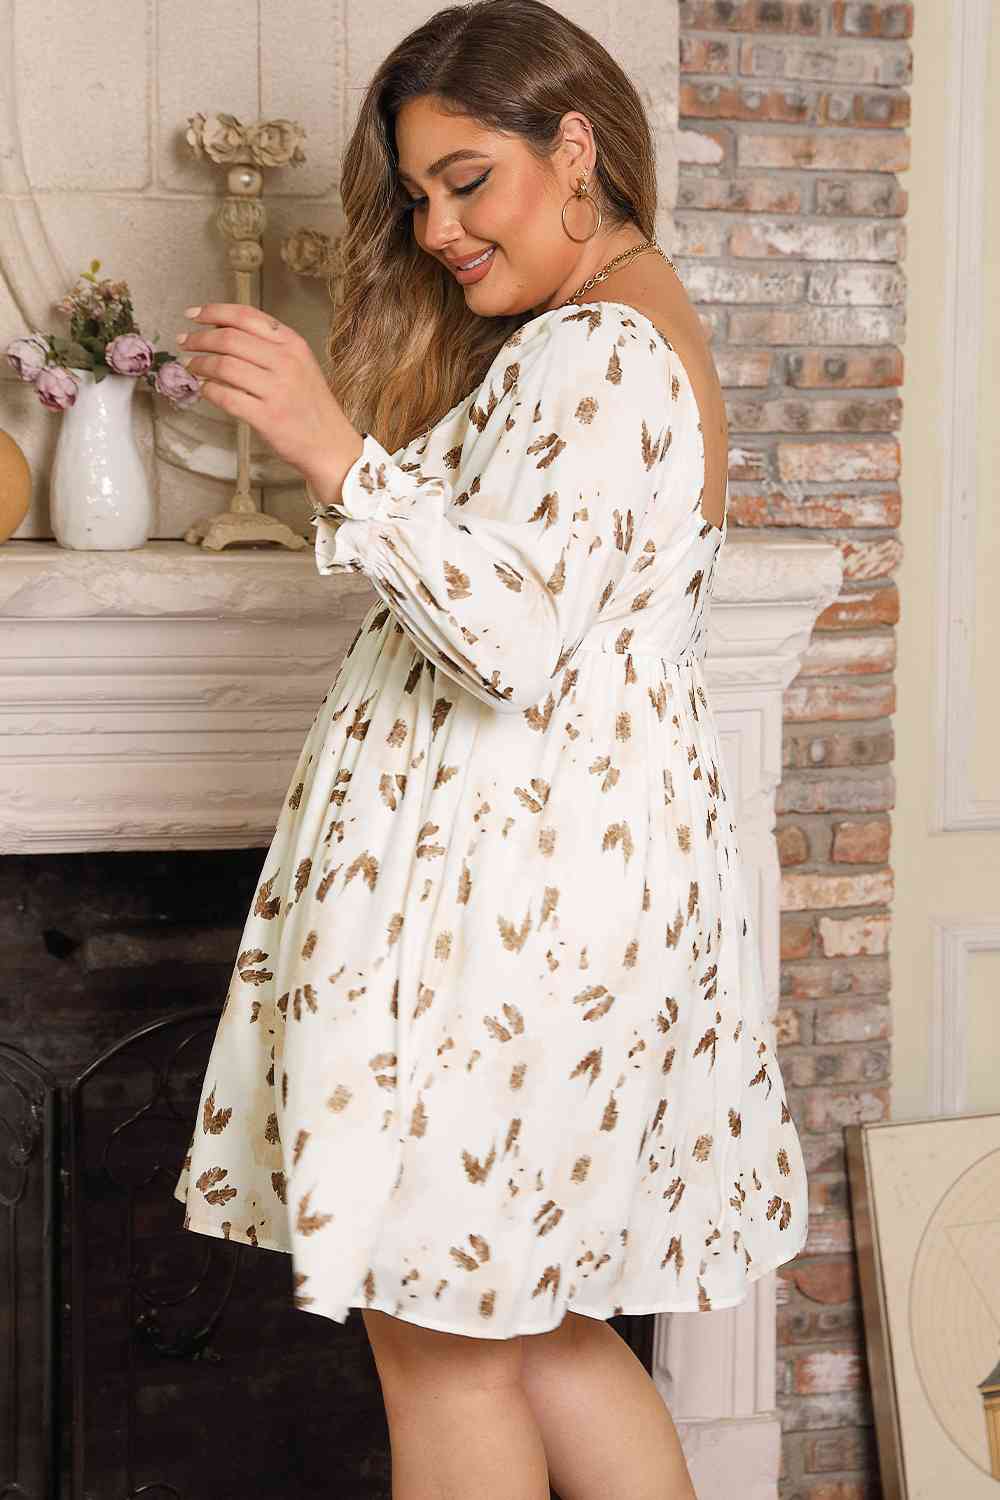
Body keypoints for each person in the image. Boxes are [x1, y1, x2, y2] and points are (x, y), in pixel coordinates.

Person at [172, 2, 809, 1495]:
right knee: (537, 1329)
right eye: (418, 197)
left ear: (574, 144)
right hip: (558, 904)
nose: (440, 229)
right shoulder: (624, 323)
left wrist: (331, 447)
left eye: (469, 181)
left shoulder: (597, 350)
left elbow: (511, 639)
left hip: (509, 927)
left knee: (439, 1336)